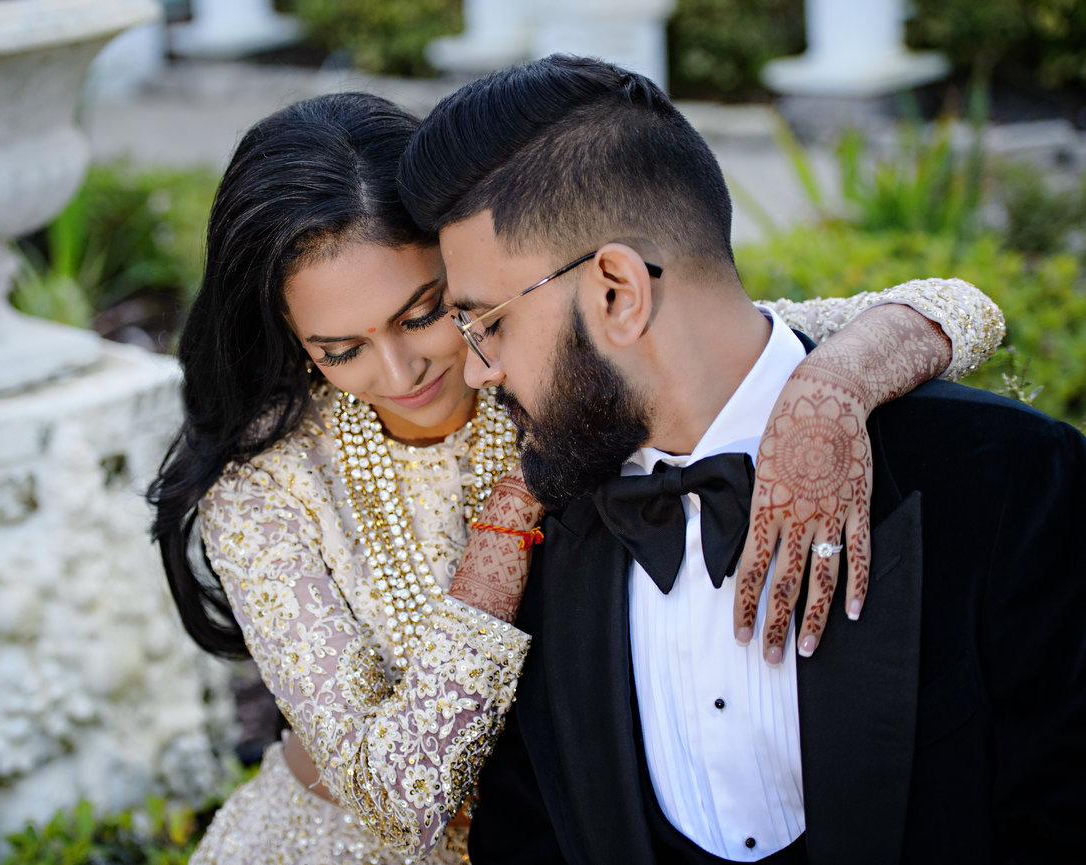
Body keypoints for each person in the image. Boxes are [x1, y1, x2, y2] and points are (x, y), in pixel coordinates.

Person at [149, 92, 1006, 865]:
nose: (402, 369)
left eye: (428, 313)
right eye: (340, 350)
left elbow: (958, 307)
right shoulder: (266, 488)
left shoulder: (566, 363)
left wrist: (832, 386)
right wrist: (509, 519)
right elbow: (396, 804)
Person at [396, 55, 1086, 864]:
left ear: (618, 291)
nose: (479, 372)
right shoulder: (539, 533)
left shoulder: (1008, 480)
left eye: (488, 324)